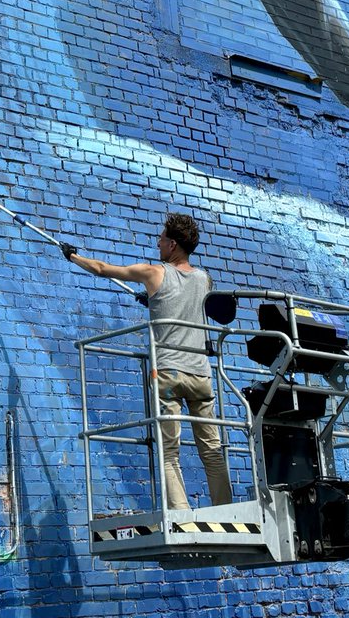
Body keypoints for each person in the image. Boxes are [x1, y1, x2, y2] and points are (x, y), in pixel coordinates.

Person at [62, 211, 233, 510]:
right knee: (212, 450)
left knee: (169, 453)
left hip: (169, 373)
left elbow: (102, 269)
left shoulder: (154, 273)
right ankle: (227, 510)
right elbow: (186, 306)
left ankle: (182, 515)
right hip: (200, 374)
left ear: (173, 244)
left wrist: (73, 256)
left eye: (162, 239)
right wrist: (154, 301)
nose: (158, 243)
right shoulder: (205, 279)